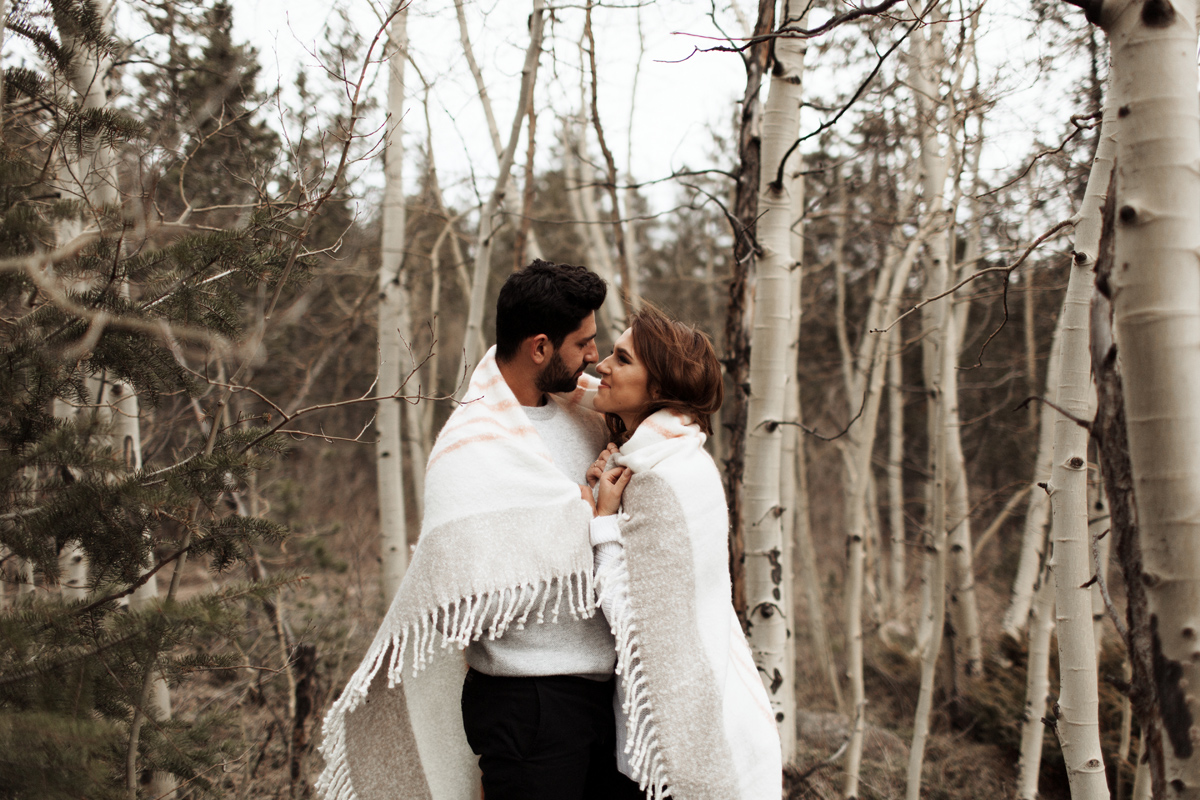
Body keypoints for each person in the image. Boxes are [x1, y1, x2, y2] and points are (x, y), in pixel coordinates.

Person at [315, 260, 642, 800]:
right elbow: (462, 600)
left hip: (606, 697)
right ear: (540, 347)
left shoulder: (588, 417)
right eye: (583, 343)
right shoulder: (470, 446)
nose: (594, 357)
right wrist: (584, 518)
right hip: (529, 703)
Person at [583, 305, 783, 800]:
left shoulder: (656, 479)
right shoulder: (680, 457)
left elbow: (633, 617)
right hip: (706, 708)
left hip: (664, 745)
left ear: (658, 389)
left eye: (622, 359)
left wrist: (604, 521)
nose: (603, 365)